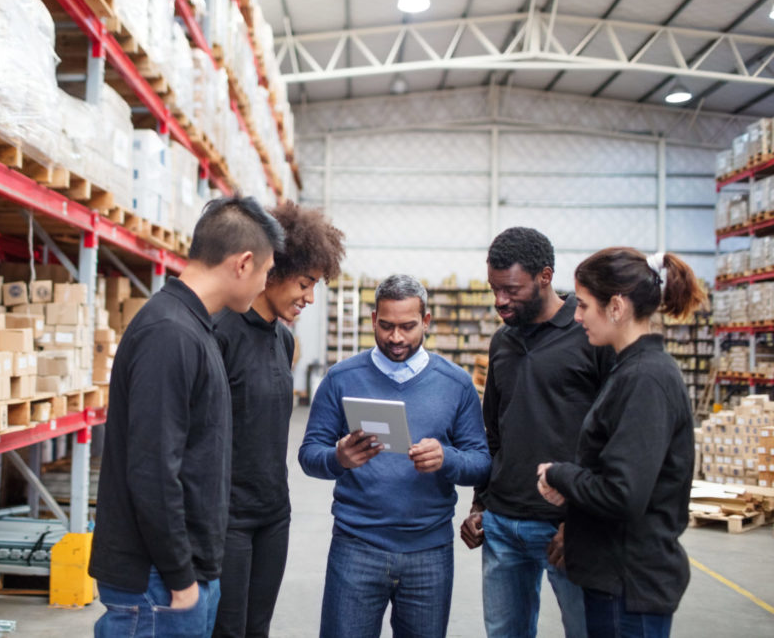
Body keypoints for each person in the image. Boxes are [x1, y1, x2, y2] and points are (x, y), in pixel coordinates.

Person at [90, 196, 285, 638]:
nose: (264, 285)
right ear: (243, 263)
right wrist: (181, 578)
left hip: (178, 578)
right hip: (158, 586)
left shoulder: (195, 327)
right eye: (267, 272)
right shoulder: (170, 334)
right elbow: (153, 469)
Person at [299, 274, 491, 638]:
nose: (396, 337)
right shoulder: (341, 379)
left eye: (407, 326)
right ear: (373, 319)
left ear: (427, 322)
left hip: (429, 552)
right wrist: (338, 458)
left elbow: (481, 462)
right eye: (386, 326)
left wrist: (446, 459)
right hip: (356, 547)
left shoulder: (456, 384)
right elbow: (309, 454)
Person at [537, 248, 707, 638]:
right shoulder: (631, 369)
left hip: (628, 585)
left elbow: (623, 493)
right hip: (617, 579)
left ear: (616, 306)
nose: (576, 316)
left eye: (583, 305)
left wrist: (560, 476)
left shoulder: (644, 380)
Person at [460, 228, 613, 638]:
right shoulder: (502, 342)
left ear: (545, 276)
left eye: (511, 289)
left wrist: (580, 523)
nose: (500, 301)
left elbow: (609, 441)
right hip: (503, 526)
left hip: (567, 530)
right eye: (494, 289)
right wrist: (480, 505)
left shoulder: (590, 336)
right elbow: (493, 431)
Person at [212, 202, 345, 638]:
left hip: (273, 513)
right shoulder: (220, 333)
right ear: (273, 270)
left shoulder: (285, 342)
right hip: (227, 516)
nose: (309, 297)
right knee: (226, 630)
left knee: (257, 629)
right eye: (305, 284)